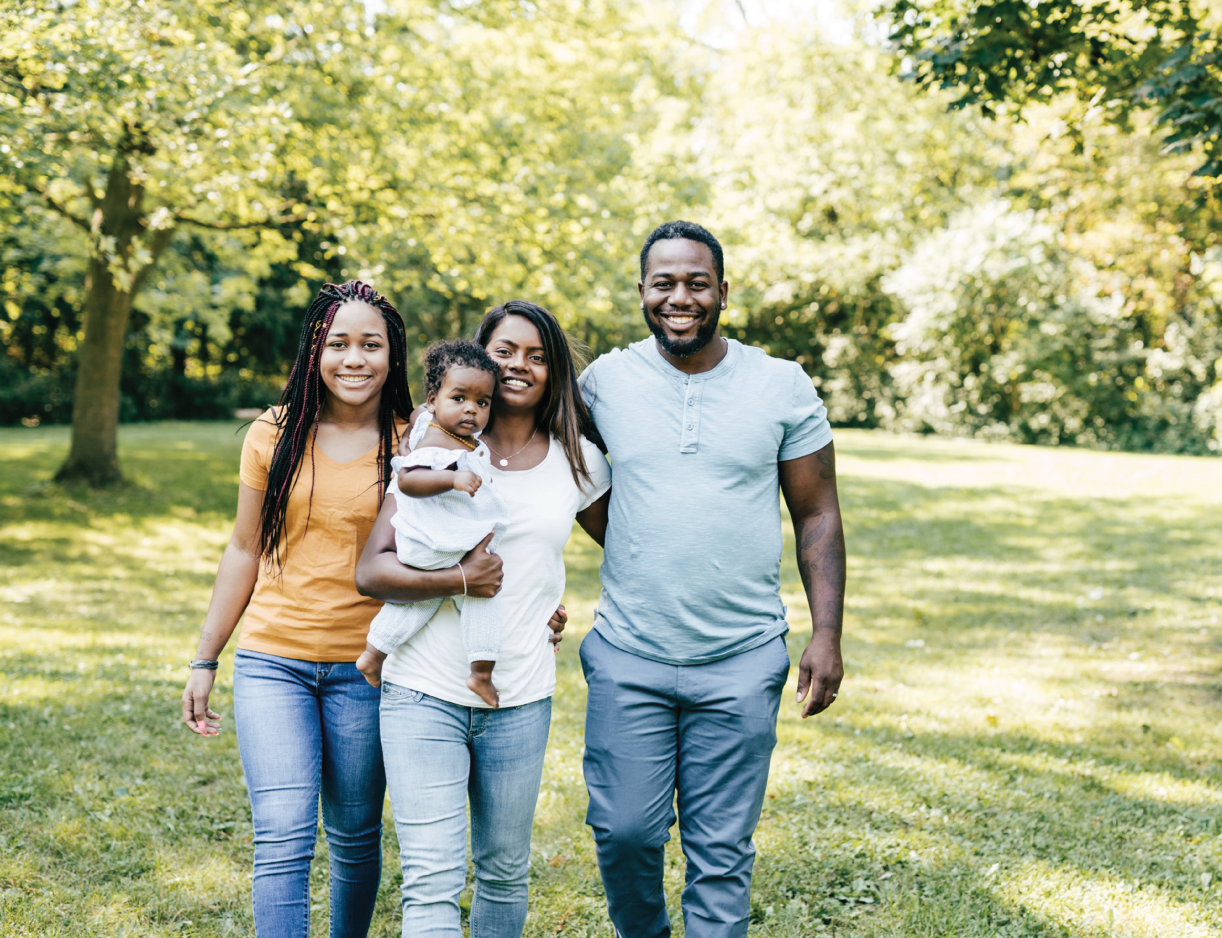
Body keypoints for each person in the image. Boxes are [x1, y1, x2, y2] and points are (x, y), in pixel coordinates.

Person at [578, 220, 847, 938]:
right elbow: (550, 472)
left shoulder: (780, 385)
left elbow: (817, 511)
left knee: (720, 854)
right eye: (664, 282)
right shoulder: (603, 383)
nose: (681, 297)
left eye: (697, 282)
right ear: (642, 291)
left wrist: (827, 634)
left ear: (723, 291)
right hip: (628, 653)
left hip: (741, 658)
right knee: (623, 833)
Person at [355, 299, 611, 937]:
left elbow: (631, 554)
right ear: (478, 363)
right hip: (422, 692)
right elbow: (372, 571)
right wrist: (461, 578)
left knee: (503, 871)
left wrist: (551, 605)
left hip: (521, 695)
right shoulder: (435, 448)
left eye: (538, 356)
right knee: (431, 881)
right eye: (505, 352)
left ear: (555, 372)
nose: (520, 366)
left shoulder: (576, 461)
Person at [179, 280, 419, 938]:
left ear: (392, 356)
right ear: (314, 350)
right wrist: (206, 657)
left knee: (354, 836)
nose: (354, 358)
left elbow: (465, 532)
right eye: (337, 342)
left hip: (368, 668)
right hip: (272, 661)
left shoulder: (415, 440)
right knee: (282, 835)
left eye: (371, 344)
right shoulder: (272, 433)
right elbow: (243, 548)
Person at [357, 340, 509, 707]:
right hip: (430, 544)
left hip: (433, 543)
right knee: (482, 600)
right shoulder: (439, 443)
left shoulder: (431, 422)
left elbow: (416, 415)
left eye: (482, 402)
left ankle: (373, 655)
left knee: (417, 606)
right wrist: (451, 478)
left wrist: (418, 418)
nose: (471, 409)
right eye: (459, 398)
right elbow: (409, 480)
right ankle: (481, 673)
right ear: (435, 397)